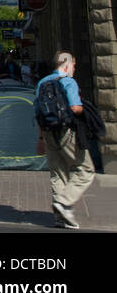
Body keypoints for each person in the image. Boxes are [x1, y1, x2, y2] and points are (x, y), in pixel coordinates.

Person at [34, 51, 94, 229]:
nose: (74, 68)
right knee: (85, 170)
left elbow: (38, 112)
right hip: (66, 132)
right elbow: (75, 108)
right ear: (67, 65)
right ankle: (64, 202)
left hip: (48, 132)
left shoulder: (42, 83)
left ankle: (60, 217)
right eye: (74, 65)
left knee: (57, 173)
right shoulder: (69, 81)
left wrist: (40, 138)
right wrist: (87, 111)